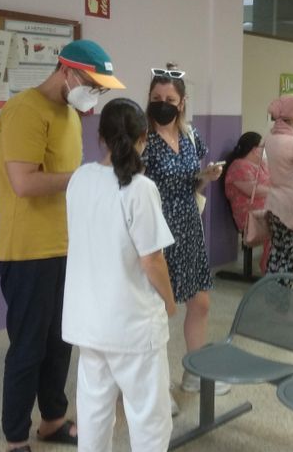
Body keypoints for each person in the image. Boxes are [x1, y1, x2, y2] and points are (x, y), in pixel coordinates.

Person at [0, 39, 125, 451]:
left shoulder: (69, 114)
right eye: (93, 85)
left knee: (60, 341)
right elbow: (24, 182)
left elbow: (68, 181)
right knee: (28, 346)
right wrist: (86, 177)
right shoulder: (24, 111)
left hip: (65, 246)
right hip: (28, 251)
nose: (95, 94)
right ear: (67, 72)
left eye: (101, 89)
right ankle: (15, 436)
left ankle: (52, 420)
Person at [63, 99, 176, 452]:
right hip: (133, 324)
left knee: (93, 412)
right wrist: (170, 302)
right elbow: (152, 260)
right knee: (149, 418)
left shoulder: (80, 179)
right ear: (144, 138)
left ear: (101, 137)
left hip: (90, 323)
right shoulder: (139, 188)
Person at [141, 65, 228, 396]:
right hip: (156, 231)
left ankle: (194, 373)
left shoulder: (191, 136)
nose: (162, 104)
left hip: (189, 228)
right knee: (157, 311)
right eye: (156, 98)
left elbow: (190, 182)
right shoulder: (142, 139)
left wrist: (205, 176)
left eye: (169, 99)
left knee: (200, 303)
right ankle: (156, 389)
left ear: (182, 102)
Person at [264, 95, 293, 276]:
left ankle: (271, 286)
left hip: (273, 202)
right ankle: (281, 289)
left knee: (277, 250)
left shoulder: (270, 138)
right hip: (290, 205)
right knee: (290, 254)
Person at [222, 132, 271, 271]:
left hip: (265, 210)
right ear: (255, 149)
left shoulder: (262, 164)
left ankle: (281, 265)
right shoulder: (239, 166)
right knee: (282, 222)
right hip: (250, 216)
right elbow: (253, 191)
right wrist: (277, 191)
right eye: (262, 147)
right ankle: (272, 266)